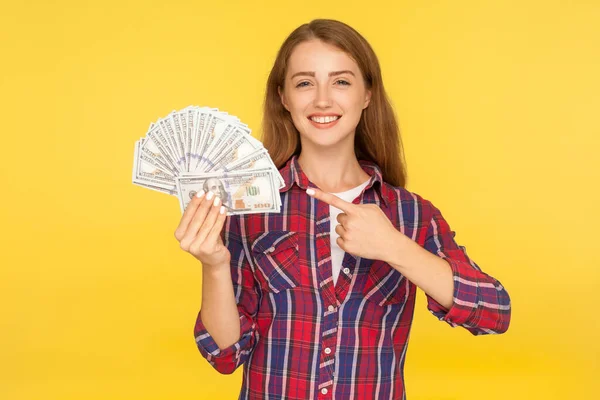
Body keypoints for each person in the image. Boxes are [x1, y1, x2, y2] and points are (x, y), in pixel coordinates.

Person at [174, 19, 511, 400]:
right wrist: (214, 265)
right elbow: (224, 354)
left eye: (341, 81)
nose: (322, 100)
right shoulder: (250, 208)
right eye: (304, 83)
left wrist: (394, 247)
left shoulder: (411, 215)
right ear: (283, 98)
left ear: (367, 93)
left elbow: (494, 313)